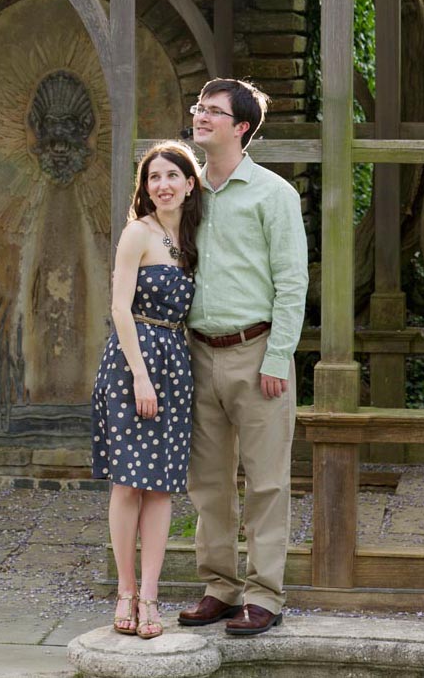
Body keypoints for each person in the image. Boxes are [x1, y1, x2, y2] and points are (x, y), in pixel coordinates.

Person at [177, 78, 308, 637]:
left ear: (242, 127)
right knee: (207, 482)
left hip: (258, 356)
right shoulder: (186, 191)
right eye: (198, 108)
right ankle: (221, 588)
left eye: (212, 111)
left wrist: (279, 355)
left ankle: (266, 596)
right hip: (197, 354)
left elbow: (292, 281)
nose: (200, 116)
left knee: (266, 482)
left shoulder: (274, 193)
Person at [91, 141, 203, 639]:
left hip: (175, 362)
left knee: (160, 485)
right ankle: (125, 591)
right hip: (133, 359)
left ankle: (152, 598)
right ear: (146, 186)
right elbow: (119, 308)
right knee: (128, 482)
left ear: (190, 183)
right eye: (153, 177)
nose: (162, 185)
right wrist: (139, 373)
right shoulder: (138, 232)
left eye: (172, 176)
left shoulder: (194, 237)